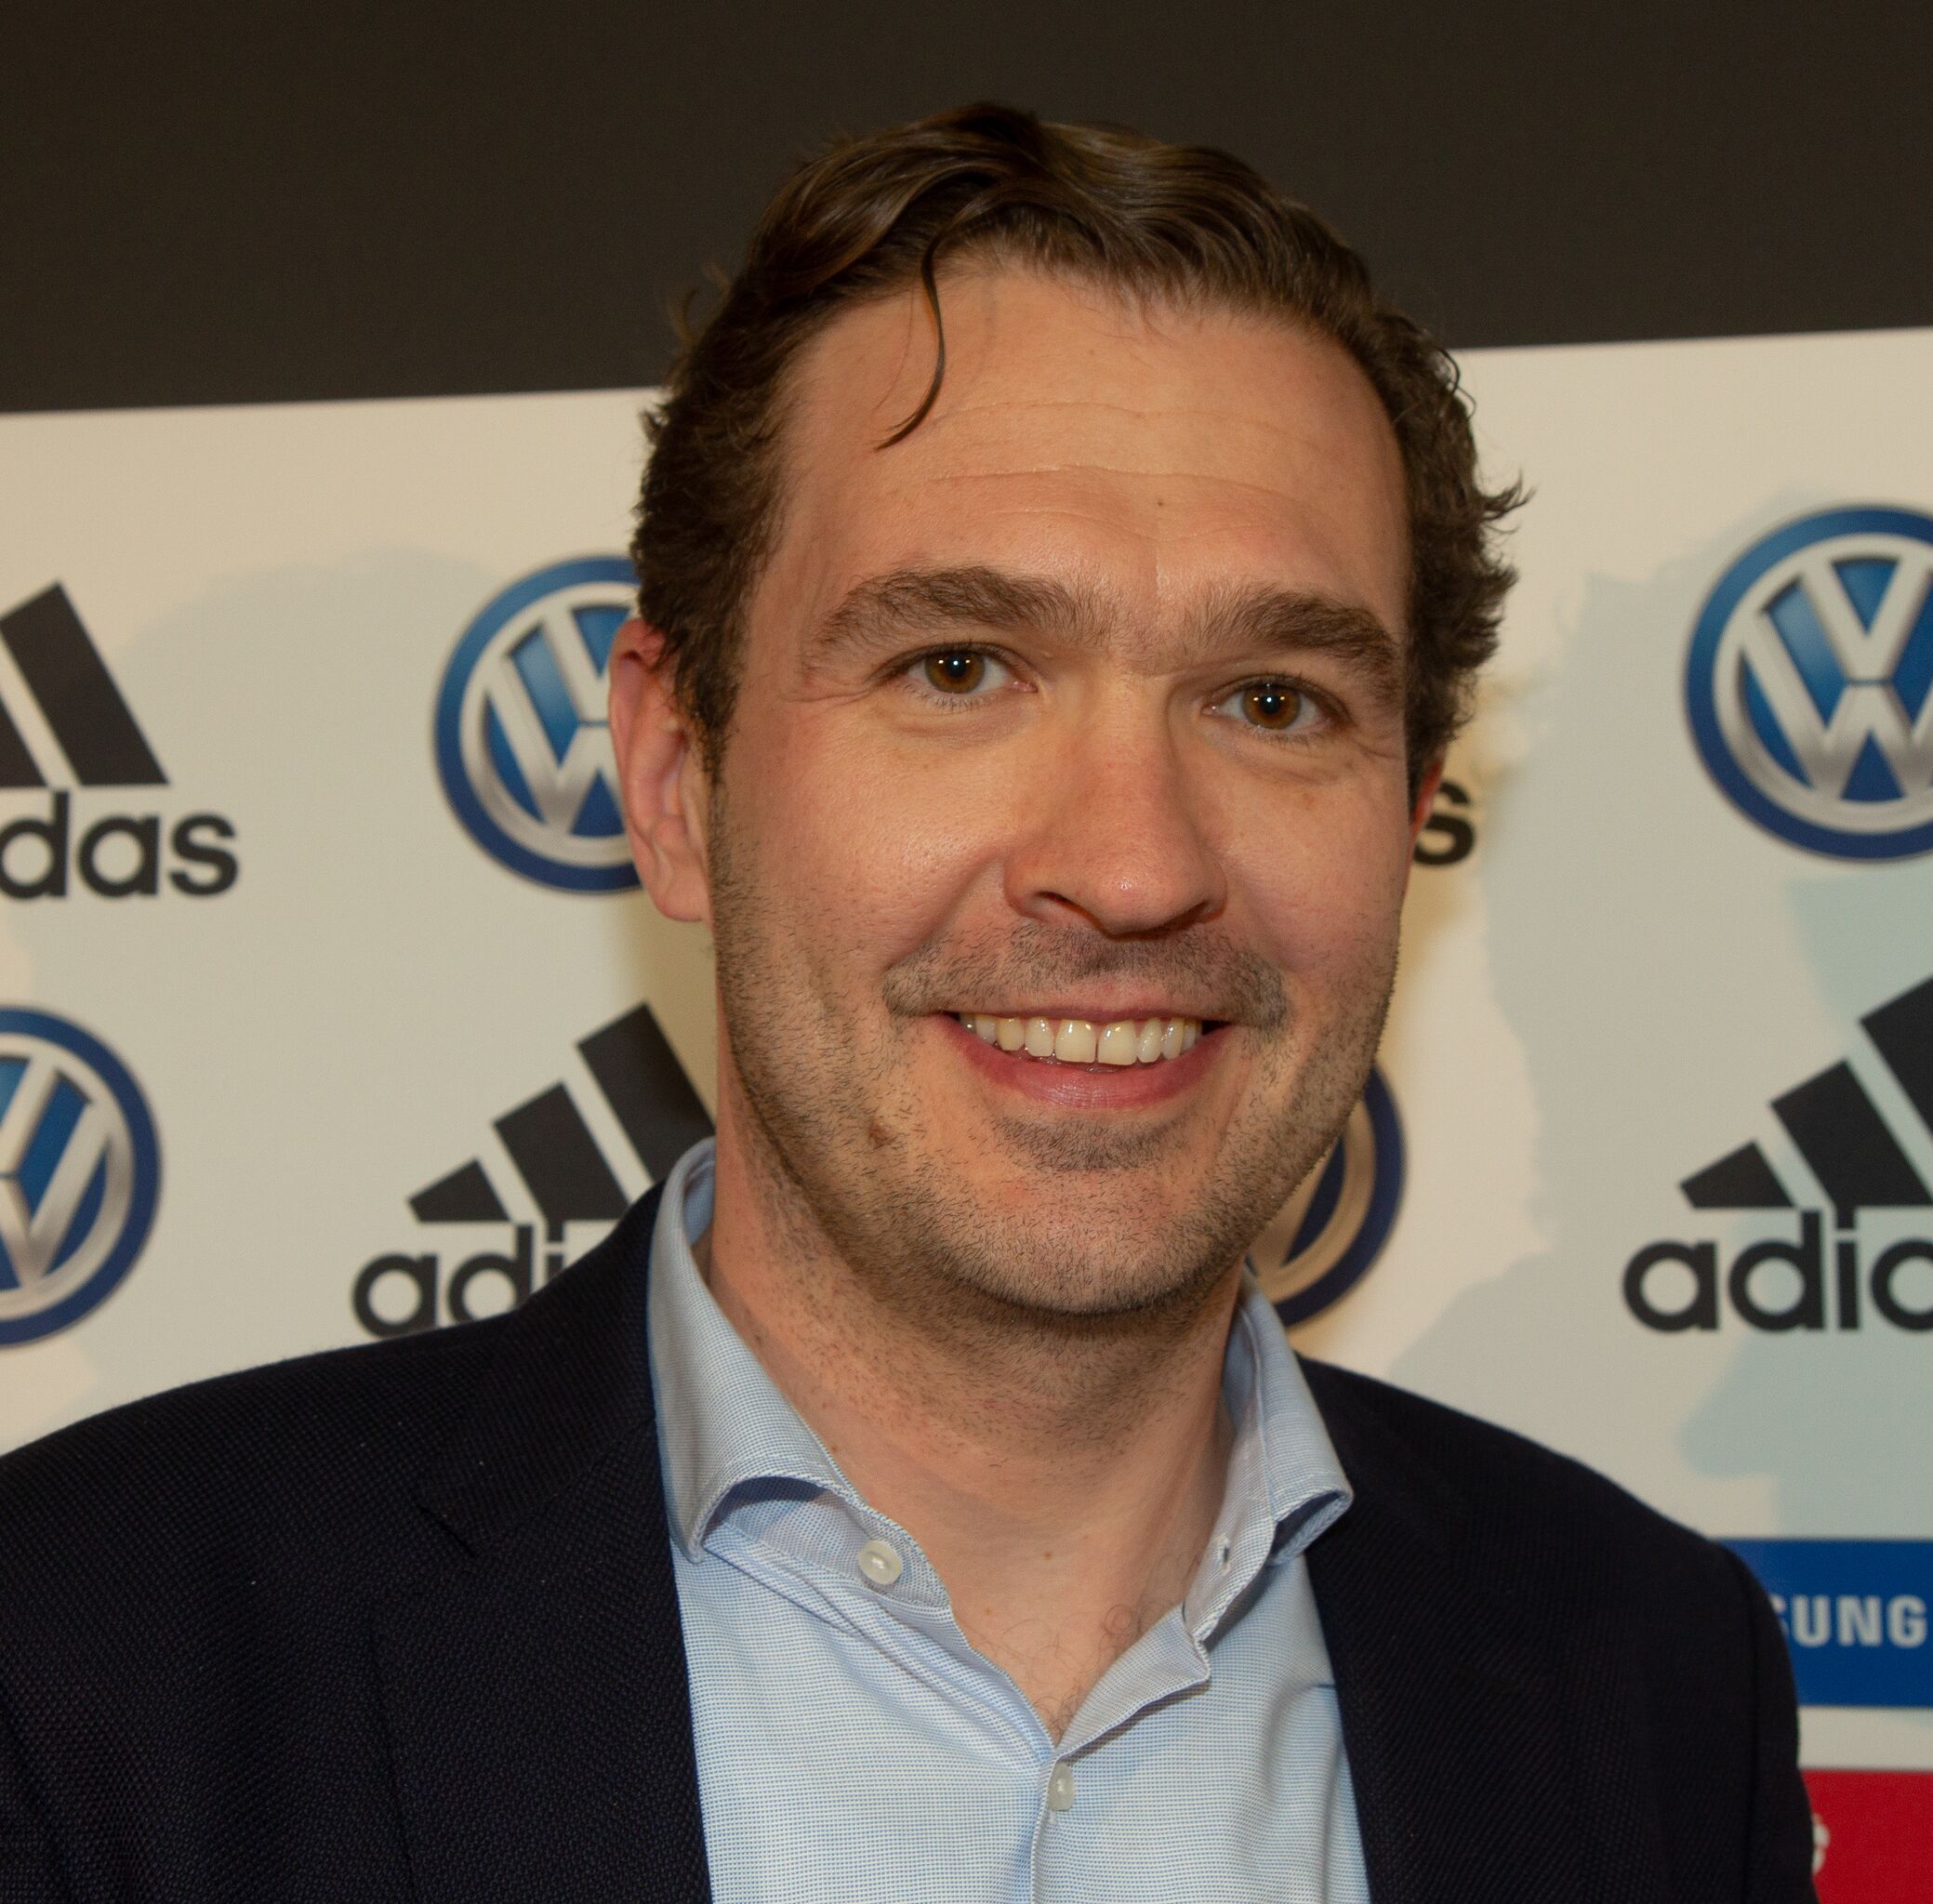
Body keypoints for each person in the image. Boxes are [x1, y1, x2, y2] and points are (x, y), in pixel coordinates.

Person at [0, 103, 1814, 1903]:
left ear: (1410, 804)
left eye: (1270, 701)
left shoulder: (1655, 1685)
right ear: (674, 775)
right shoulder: (78, 1661)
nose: (1131, 864)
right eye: (958, 668)